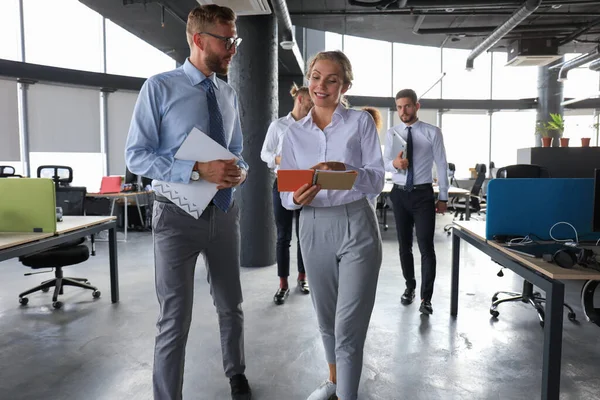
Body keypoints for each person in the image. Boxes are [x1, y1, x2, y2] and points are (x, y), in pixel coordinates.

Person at [124, 5, 252, 400]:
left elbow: (238, 152)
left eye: (235, 40)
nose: (233, 48)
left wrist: (239, 171)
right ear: (199, 40)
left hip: (224, 212)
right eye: (226, 40)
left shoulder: (228, 93)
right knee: (174, 319)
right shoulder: (159, 87)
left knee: (231, 305)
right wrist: (197, 170)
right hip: (176, 218)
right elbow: (136, 156)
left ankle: (237, 373)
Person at [280, 50, 385, 400]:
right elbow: (285, 193)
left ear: (345, 85)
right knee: (326, 320)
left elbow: (377, 181)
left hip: (357, 222)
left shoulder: (360, 123)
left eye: (331, 79)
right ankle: (335, 382)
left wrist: (347, 174)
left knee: (348, 327)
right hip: (312, 226)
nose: (320, 85)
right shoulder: (293, 133)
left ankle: (346, 396)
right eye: (315, 76)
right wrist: (296, 198)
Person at [383, 88, 449, 315]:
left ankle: (426, 298)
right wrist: (394, 165)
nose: (403, 111)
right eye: (399, 107)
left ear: (416, 106)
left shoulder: (432, 132)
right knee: (404, 246)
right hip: (399, 194)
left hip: (422, 195)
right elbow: (382, 163)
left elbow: (441, 164)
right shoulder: (392, 133)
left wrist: (443, 197)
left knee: (426, 247)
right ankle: (409, 286)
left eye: (407, 106)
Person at [260, 83, 313, 305]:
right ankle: (283, 284)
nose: (315, 103)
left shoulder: (313, 126)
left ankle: (303, 278)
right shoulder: (278, 125)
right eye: (311, 99)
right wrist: (280, 159)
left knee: (305, 235)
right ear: (300, 99)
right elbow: (264, 153)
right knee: (283, 236)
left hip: (307, 182)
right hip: (283, 181)